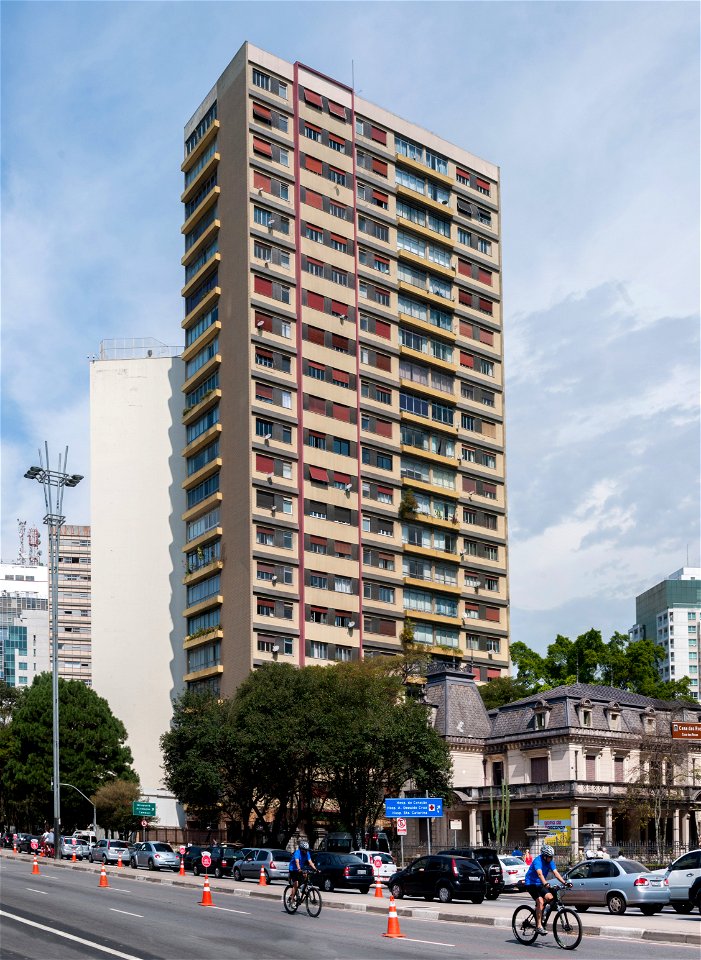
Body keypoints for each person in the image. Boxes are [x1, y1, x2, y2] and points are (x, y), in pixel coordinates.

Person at [524, 843, 571, 936]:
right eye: (549, 857)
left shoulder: (550, 862)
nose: (551, 858)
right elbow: (540, 874)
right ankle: (538, 926)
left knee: (550, 897)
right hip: (531, 883)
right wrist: (545, 883)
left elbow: (556, 873)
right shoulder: (538, 861)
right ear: (544, 856)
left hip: (540, 884)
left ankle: (541, 911)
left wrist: (564, 883)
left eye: (552, 857)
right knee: (540, 901)